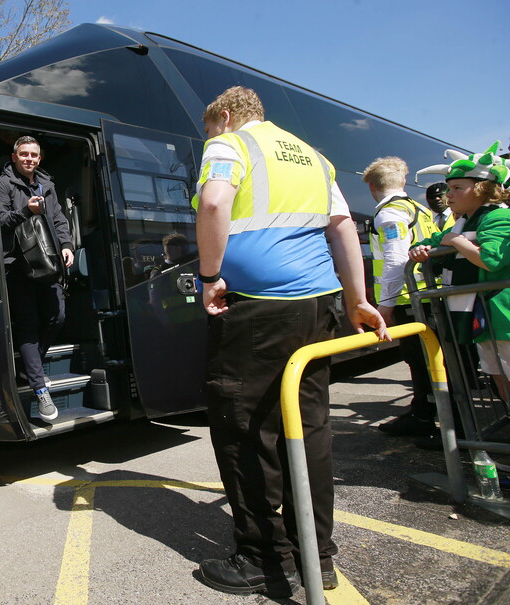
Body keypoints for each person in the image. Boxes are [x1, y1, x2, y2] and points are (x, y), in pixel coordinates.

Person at [192, 86, 387, 597]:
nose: (209, 137)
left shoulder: (230, 143)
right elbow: (343, 228)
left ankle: (261, 556)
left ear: (226, 116)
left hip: (258, 309)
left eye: (209, 127)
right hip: (317, 305)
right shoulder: (312, 158)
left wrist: (210, 275)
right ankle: (316, 557)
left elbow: (213, 201)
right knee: (308, 426)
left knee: (244, 425)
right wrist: (357, 299)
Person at [411, 142, 510, 402]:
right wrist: (419, 250)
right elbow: (429, 242)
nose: (448, 195)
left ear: (481, 189)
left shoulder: (498, 217)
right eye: (448, 188)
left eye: (457, 188)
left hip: (503, 313)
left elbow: (491, 260)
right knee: (495, 372)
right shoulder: (465, 220)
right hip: (484, 314)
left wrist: (456, 242)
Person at [0, 135, 74, 421]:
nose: (29, 159)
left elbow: (59, 220)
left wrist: (66, 245)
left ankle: (32, 369)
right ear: (14, 157)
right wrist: (25, 210)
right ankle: (40, 390)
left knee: (58, 317)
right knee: (29, 324)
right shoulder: (1, 184)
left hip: (48, 261)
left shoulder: (47, 185)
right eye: (24, 154)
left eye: (34, 155)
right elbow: (0, 222)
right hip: (17, 265)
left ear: (39, 158)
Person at [362, 157, 439, 437]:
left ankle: (424, 419)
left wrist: (386, 307)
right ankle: (426, 412)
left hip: (411, 299)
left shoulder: (389, 214)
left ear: (372, 186)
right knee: (433, 360)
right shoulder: (419, 209)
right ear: (403, 182)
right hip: (431, 294)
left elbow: (395, 259)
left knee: (419, 361)